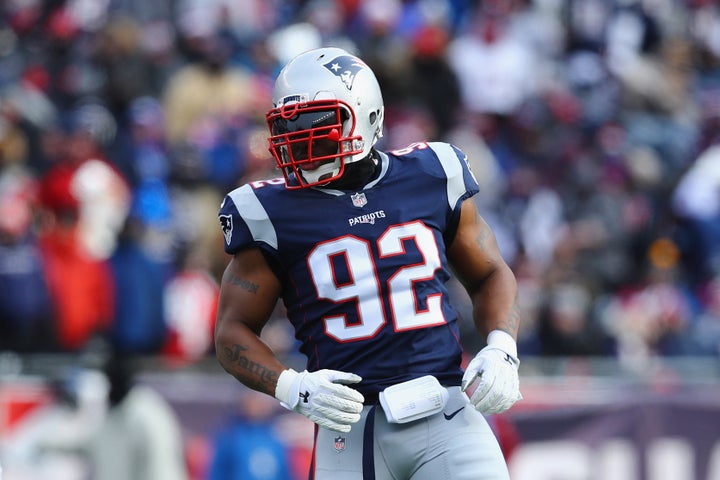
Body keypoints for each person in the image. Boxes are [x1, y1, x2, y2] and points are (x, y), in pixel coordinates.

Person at [214, 46, 522, 480]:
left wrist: (501, 348)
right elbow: (232, 332)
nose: (298, 137)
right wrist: (292, 387)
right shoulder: (267, 210)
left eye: (316, 122)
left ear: (365, 115)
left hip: (446, 412)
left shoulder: (432, 173)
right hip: (348, 430)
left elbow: (490, 272)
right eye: (290, 124)